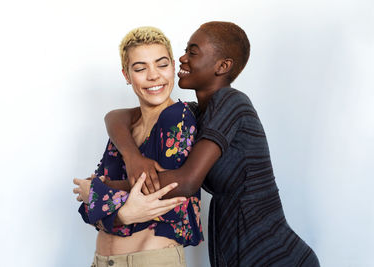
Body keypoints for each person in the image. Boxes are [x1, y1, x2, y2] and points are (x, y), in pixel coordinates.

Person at [105, 21, 320, 266]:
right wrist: (133, 157)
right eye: (185, 50)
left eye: (193, 52)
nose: (183, 58)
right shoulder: (196, 115)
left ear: (223, 66)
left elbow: (187, 181)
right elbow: (116, 117)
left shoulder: (233, 103)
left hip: (277, 256)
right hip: (234, 254)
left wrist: (107, 189)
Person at [73, 26, 203, 267]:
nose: (153, 75)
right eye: (140, 68)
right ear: (126, 75)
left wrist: (97, 191)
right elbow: (90, 211)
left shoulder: (178, 117)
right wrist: (114, 206)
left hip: (150, 260)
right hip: (101, 260)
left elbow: (165, 194)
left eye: (162, 65)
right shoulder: (124, 130)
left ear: (174, 67)